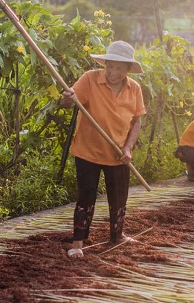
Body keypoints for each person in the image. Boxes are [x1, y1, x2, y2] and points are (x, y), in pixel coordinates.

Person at [59, 41, 146, 259]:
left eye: (118, 68)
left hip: (118, 153)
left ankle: (118, 235)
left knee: (119, 198)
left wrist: (128, 148)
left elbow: (137, 121)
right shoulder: (90, 78)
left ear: (128, 69)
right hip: (88, 151)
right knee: (86, 196)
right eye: (110, 66)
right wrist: (67, 99)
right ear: (104, 64)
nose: (112, 72)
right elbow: (69, 102)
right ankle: (78, 243)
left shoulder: (134, 88)